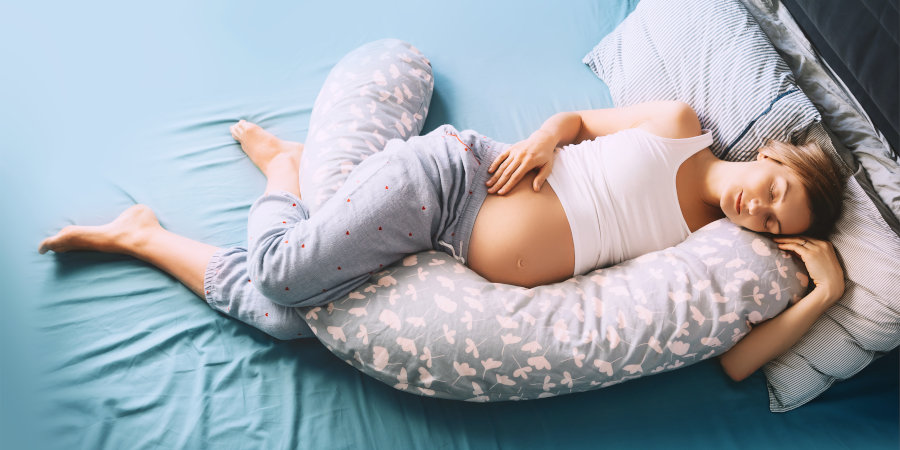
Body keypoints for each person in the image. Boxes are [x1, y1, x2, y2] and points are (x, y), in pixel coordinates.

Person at [37, 99, 846, 383]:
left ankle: (144, 236)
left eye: (776, 224)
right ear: (769, 155)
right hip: (448, 184)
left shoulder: (709, 249)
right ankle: (286, 171)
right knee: (282, 280)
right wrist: (544, 139)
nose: (759, 211)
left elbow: (737, 363)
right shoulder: (678, 128)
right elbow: (576, 121)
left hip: (450, 262)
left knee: (290, 323)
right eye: (773, 190)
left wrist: (828, 294)